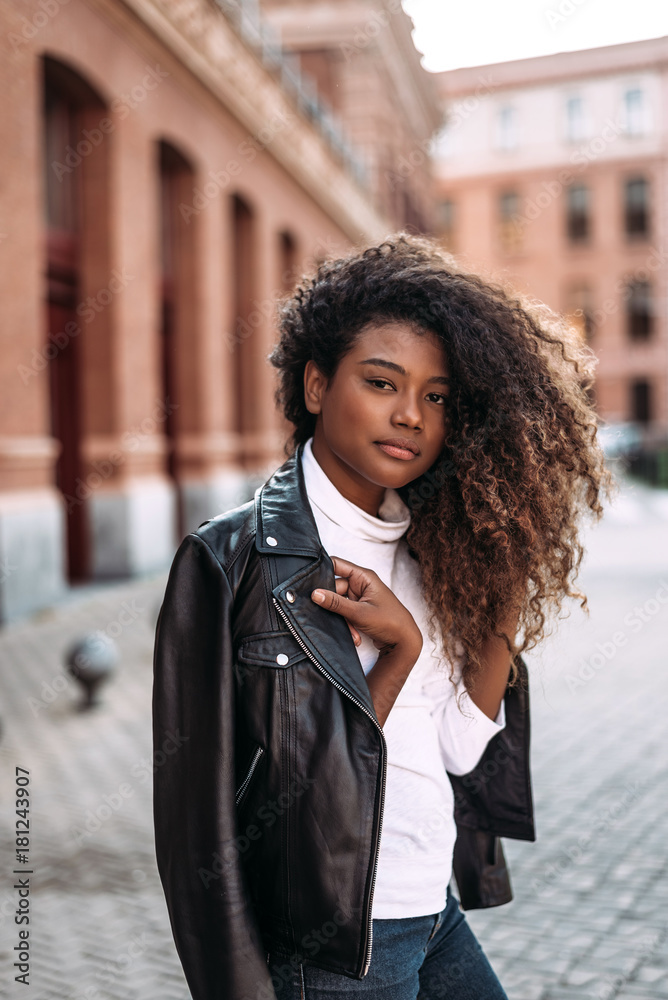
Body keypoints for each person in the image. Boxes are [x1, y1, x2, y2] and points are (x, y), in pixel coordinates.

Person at [152, 234, 613, 1000]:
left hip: (430, 909)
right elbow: (199, 819)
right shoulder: (230, 561)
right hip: (333, 943)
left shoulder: (443, 547)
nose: (410, 416)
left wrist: (501, 590)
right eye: (381, 382)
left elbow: (461, 751)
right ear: (314, 385)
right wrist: (396, 653)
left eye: (436, 397)